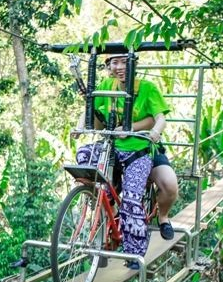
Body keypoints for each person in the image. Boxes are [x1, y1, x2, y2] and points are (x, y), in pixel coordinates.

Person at [73, 55, 176, 269]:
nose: (119, 67)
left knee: (146, 193)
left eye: (124, 62)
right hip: (113, 147)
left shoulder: (146, 88)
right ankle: (103, 221)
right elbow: (92, 108)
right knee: (85, 157)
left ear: (133, 64)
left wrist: (152, 132)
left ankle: (148, 235)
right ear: (109, 66)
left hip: (140, 148)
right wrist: (80, 126)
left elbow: (159, 118)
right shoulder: (107, 86)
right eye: (114, 63)